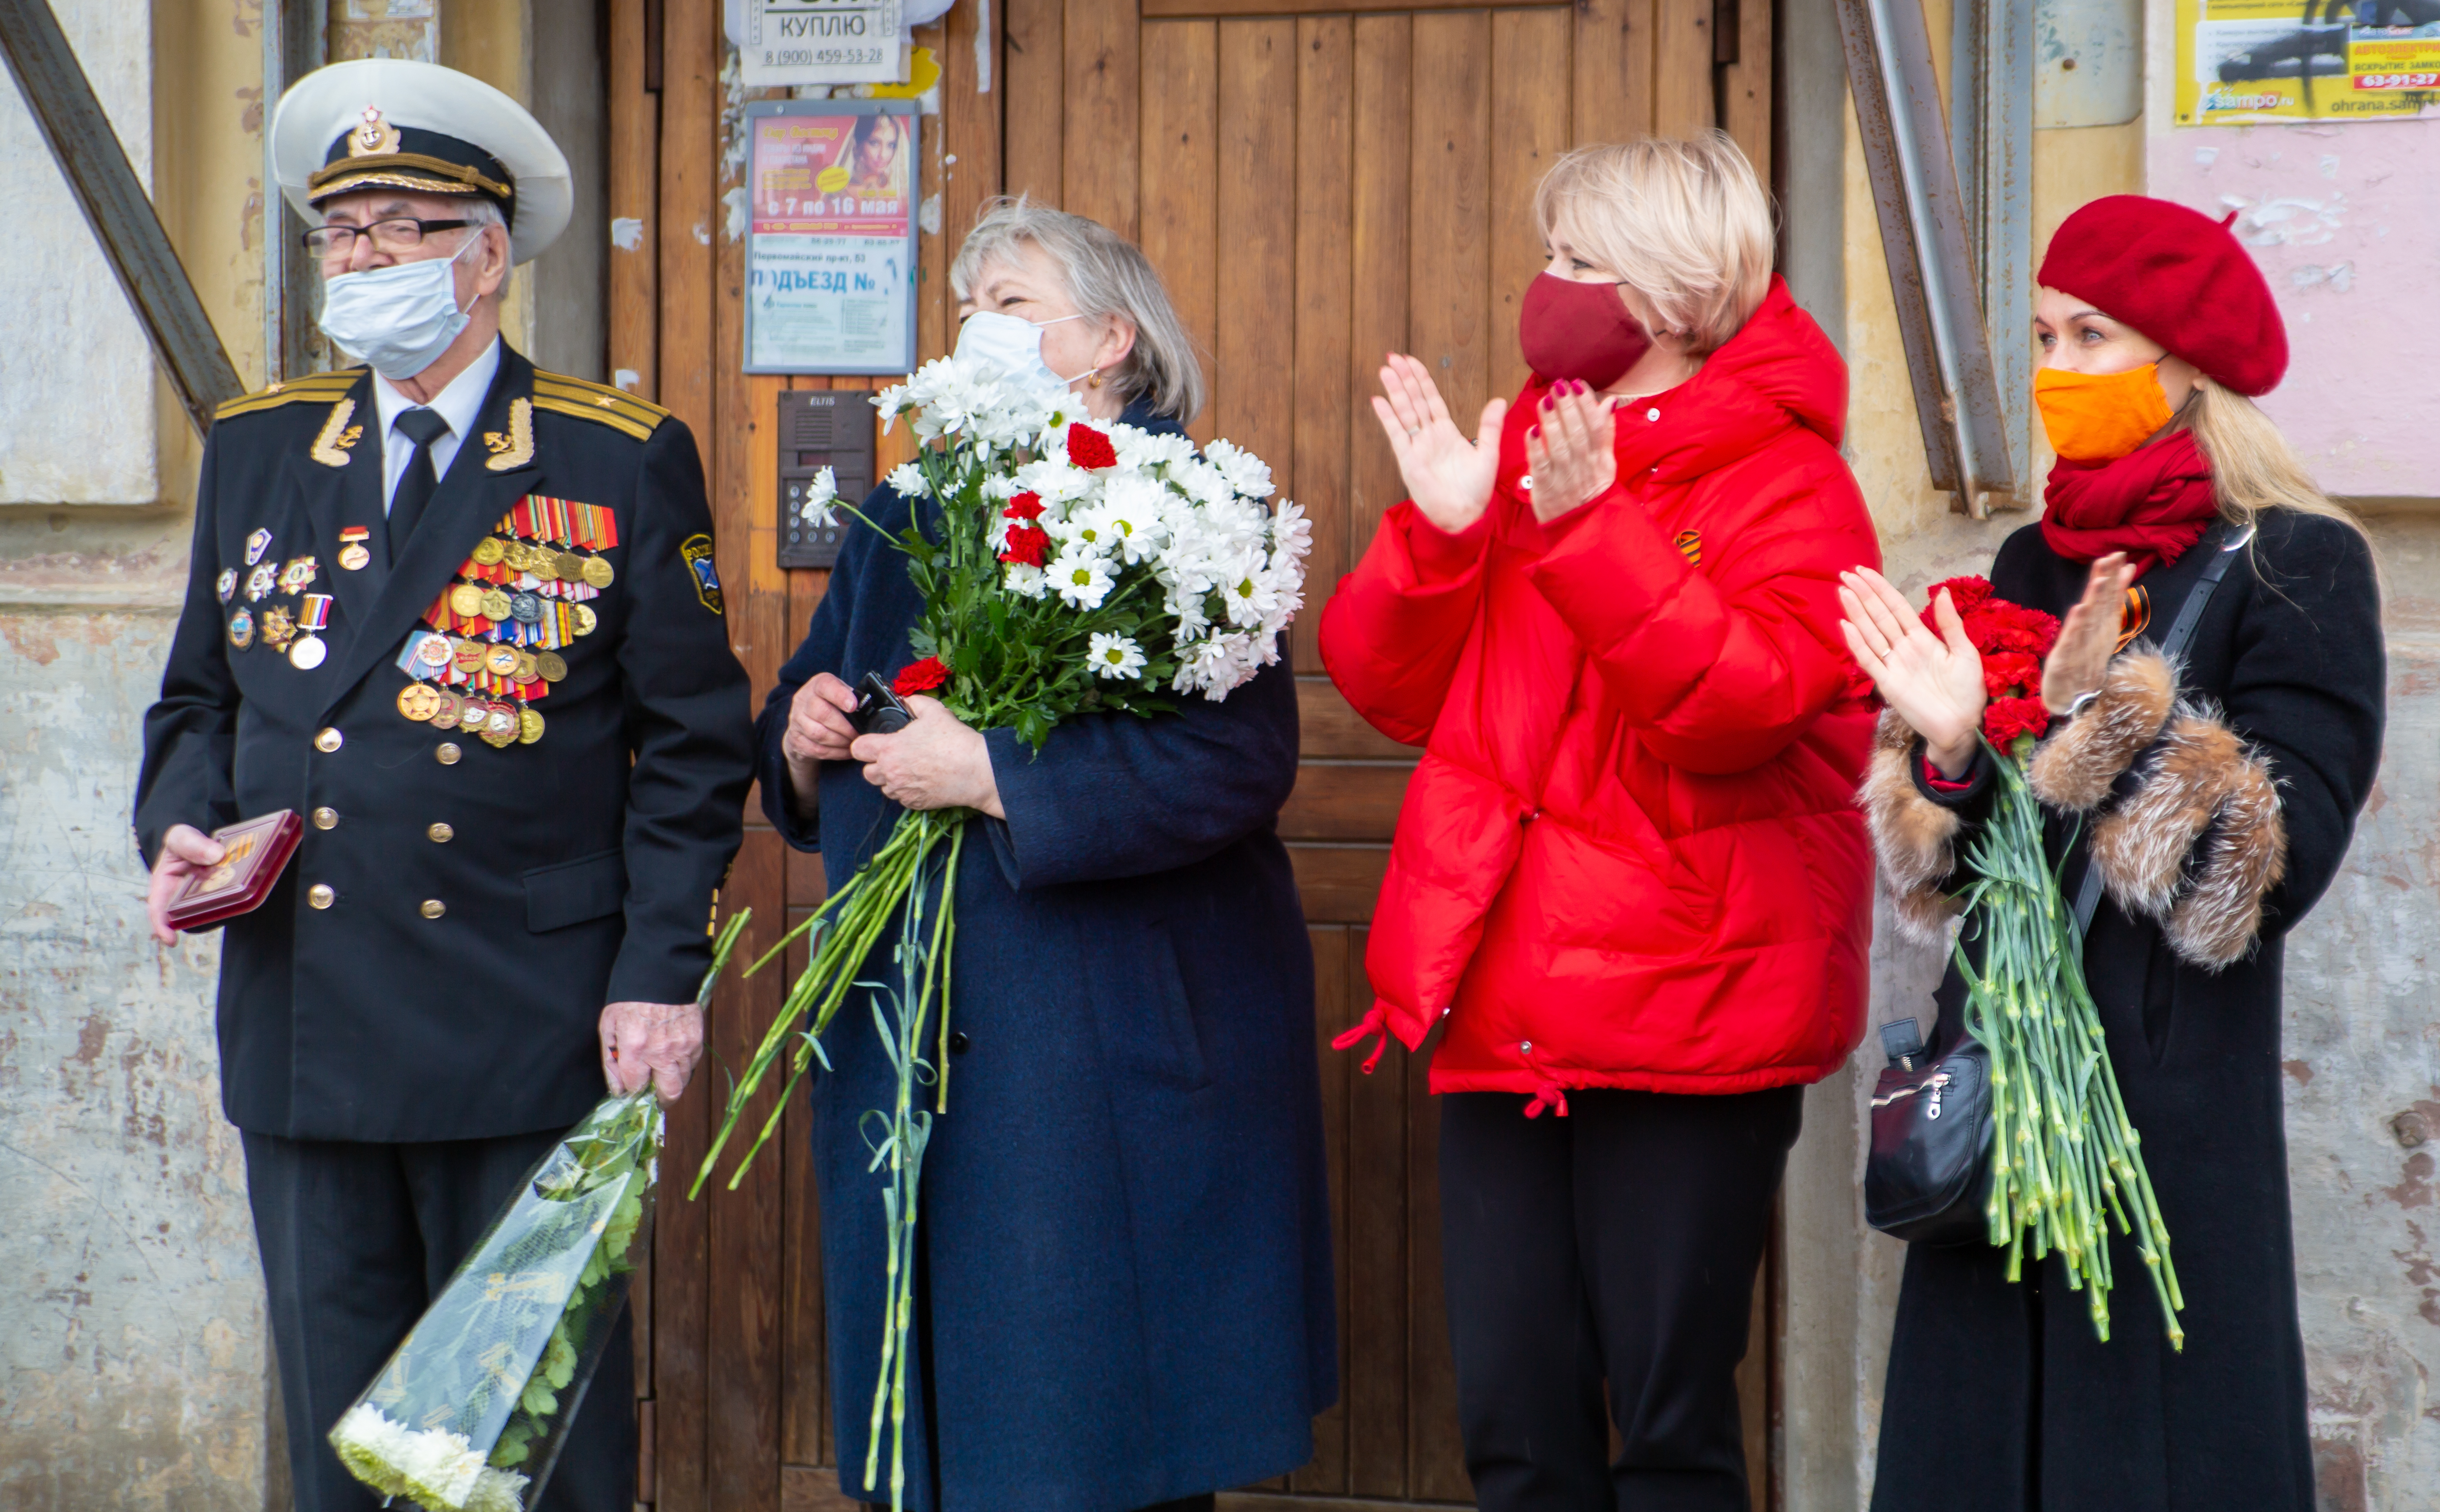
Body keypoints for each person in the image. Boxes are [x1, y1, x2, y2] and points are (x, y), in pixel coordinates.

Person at [134, 58, 754, 1511]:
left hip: (526, 1018)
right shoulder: (262, 446)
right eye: (337, 233)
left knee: (529, 1442)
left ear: (485, 257)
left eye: (397, 226)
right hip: (308, 1013)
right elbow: (197, 698)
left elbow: (693, 743)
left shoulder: (613, 457)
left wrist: (660, 972)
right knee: (341, 1434)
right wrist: (179, 823)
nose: (357, 259)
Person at [1320, 134, 1880, 1511]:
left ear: (1682, 299)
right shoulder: (1532, 445)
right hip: (1503, 998)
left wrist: (1585, 531)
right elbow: (1390, 690)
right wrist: (1448, 531)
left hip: (1690, 1010)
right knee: (1517, 1426)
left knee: (1675, 1435)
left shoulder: (1792, 484)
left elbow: (1739, 709)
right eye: (1552, 254)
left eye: (1583, 262)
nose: (1546, 287)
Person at [756, 197, 1334, 1512]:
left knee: (1097, 1429)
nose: (978, 328)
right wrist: (802, 735)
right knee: (943, 1432)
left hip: (1099, 1040)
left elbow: (1235, 767)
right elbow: (812, 695)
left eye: (1011, 304)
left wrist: (998, 778)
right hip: (917, 1021)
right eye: (970, 305)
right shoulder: (916, 499)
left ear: (1111, 339)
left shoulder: (1193, 506)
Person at [1842, 195, 2383, 1512]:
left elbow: (2270, 871)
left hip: (2168, 1119)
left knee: (2151, 1461)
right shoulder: (2032, 557)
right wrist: (1952, 759)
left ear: (2188, 364)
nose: (2056, 371)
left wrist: (2103, 717)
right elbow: (1947, 878)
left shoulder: (2302, 565)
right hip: (2003, 1087)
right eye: (2042, 335)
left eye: (2093, 338)